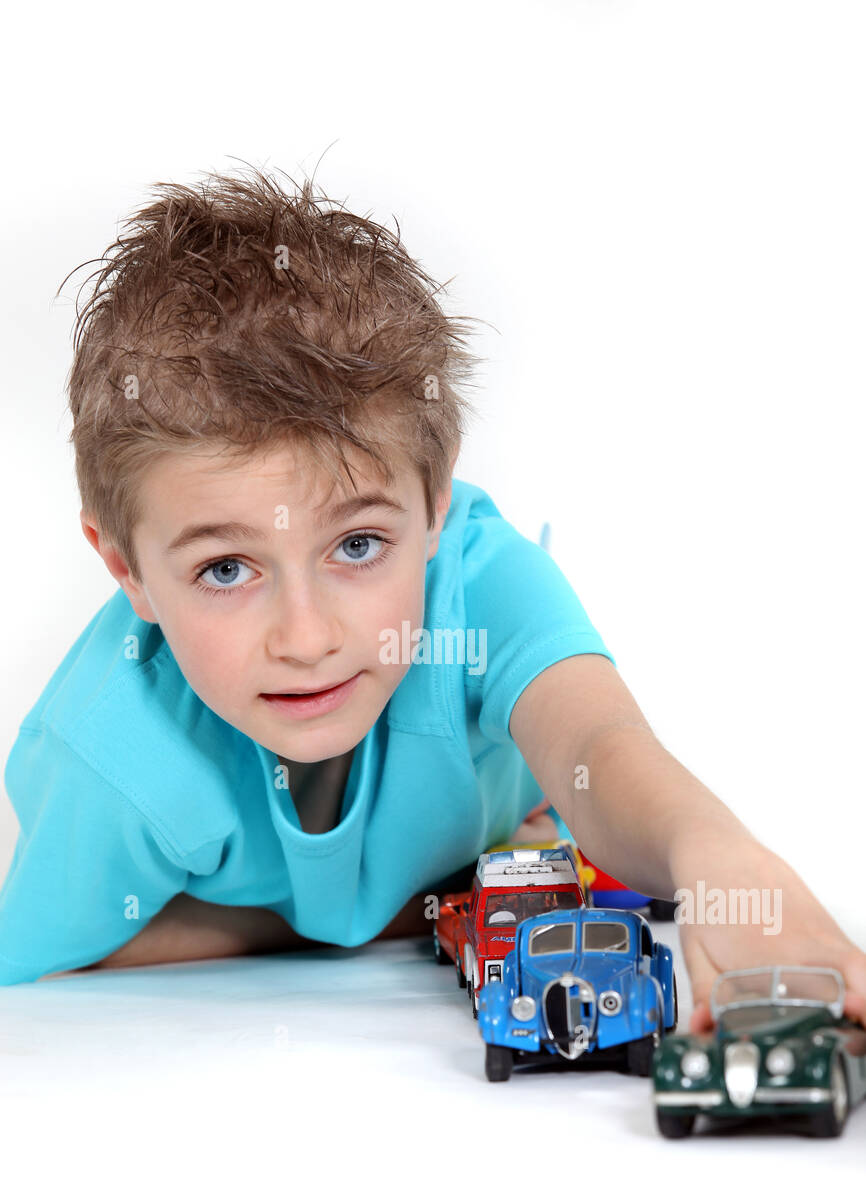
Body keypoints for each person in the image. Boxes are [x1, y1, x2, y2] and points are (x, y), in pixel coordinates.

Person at [1, 167, 863, 1035]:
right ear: (125, 569)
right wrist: (397, 915)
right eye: (227, 569)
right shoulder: (111, 761)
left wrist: (716, 858)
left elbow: (603, 742)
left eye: (358, 546)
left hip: (524, 813)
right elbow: (71, 951)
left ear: (435, 510)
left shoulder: (478, 582)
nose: (306, 639)